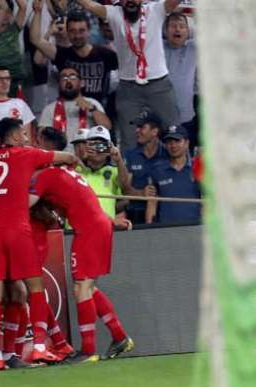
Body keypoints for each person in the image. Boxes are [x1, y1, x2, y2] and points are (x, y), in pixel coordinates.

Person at [0, 117, 79, 370]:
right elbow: (65, 157)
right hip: (18, 230)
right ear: (12, 138)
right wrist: (70, 163)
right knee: (35, 287)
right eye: (22, 133)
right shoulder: (28, 154)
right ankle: (41, 348)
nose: (25, 137)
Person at [30, 166, 135, 363]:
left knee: (81, 288)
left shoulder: (43, 176)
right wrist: (110, 220)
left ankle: (88, 350)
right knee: (88, 287)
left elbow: (28, 203)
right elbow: (84, 199)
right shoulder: (65, 173)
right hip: (98, 224)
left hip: (89, 229)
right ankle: (120, 337)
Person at [76, 0, 182, 150]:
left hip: (159, 85)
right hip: (128, 88)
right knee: (129, 139)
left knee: (175, 133)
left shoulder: (155, 10)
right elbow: (89, 5)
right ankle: (129, 172)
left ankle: (181, 172)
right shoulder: (114, 13)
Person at [30, 6, 119, 107]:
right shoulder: (62, 54)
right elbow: (35, 39)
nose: (77, 36)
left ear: (89, 31)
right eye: (73, 31)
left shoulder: (106, 54)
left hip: (97, 110)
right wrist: (38, 12)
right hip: (68, 110)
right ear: (67, 32)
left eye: (81, 31)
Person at [38, 66, 111, 151]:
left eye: (72, 77)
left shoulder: (92, 103)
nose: (68, 80)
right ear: (59, 84)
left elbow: (107, 127)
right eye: (64, 77)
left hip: (88, 154)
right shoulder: (49, 108)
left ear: (82, 83)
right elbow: (41, 138)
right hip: (60, 155)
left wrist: (92, 108)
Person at [145, 125, 201, 225]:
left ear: (187, 143)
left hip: (194, 228)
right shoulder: (157, 170)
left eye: (177, 141)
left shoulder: (199, 167)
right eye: (169, 142)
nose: (173, 145)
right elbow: (152, 202)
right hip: (166, 230)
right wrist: (149, 229)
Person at [77, 125, 129, 227]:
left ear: (109, 149)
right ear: (87, 146)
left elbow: (124, 183)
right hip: (77, 228)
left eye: (102, 146)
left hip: (104, 227)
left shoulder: (114, 170)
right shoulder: (75, 169)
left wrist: (118, 159)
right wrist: (82, 156)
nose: (98, 149)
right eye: (94, 144)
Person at [121, 109, 167, 225]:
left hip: (164, 215)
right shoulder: (129, 155)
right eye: (137, 127)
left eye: (142, 127)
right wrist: (140, 194)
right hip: (135, 216)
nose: (137, 130)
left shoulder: (168, 153)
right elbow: (125, 189)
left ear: (154, 131)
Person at [163, 12, 198, 149]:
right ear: (165, 30)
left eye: (182, 26)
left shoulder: (194, 48)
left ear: (188, 31)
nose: (177, 29)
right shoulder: (157, 47)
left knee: (186, 160)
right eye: (173, 26)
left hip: (186, 118)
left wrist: (192, 15)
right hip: (161, 119)